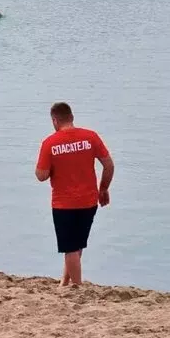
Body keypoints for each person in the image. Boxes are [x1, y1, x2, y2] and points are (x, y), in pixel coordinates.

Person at [35, 102, 114, 288]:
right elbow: (109, 165)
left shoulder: (50, 143)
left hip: (64, 204)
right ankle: (64, 283)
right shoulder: (90, 137)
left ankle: (78, 287)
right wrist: (103, 188)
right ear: (72, 117)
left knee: (70, 247)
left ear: (54, 120)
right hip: (89, 201)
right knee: (76, 245)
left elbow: (41, 175)